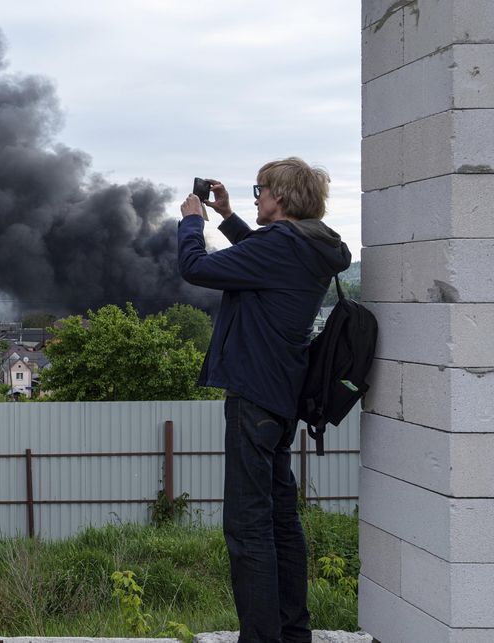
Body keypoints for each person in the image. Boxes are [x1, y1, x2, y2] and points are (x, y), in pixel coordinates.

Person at [177, 158, 351, 643]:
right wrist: (229, 217)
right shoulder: (311, 246)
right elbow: (262, 255)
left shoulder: (281, 245)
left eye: (261, 190)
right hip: (281, 396)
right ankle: (293, 632)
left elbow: (196, 268)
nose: (257, 197)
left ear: (282, 197)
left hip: (253, 396)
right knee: (280, 518)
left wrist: (194, 221)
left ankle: (260, 638)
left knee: (248, 526)